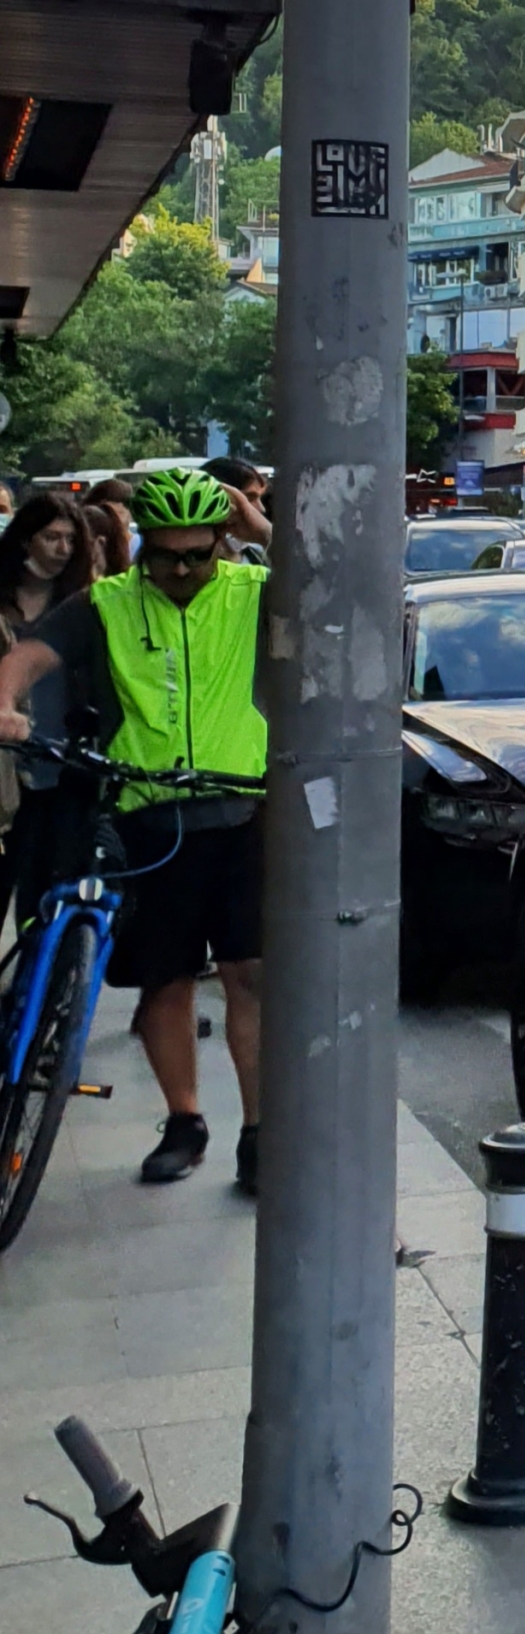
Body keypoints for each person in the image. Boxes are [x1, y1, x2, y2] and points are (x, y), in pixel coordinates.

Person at [0, 469, 266, 1190]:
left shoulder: (253, 590)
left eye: (197, 554)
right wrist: (6, 701)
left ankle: (260, 1132)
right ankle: (185, 1121)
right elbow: (25, 655)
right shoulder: (107, 603)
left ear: (222, 542)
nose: (180, 570)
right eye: (165, 555)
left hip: (241, 809)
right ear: (143, 547)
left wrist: (262, 531)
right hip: (147, 813)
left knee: (253, 975)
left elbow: (348, 591)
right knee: (165, 978)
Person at [0, 496, 98, 925]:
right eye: (51, 537)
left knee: (46, 897)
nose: (62, 549)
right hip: (7, 764)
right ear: (25, 539)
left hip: (62, 763)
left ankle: (33, 988)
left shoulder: (82, 605)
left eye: (70, 539)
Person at [199, 457, 274, 556]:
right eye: (249, 498)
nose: (261, 509)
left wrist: (266, 536)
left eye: (260, 498)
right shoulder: (191, 556)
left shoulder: (256, 553)